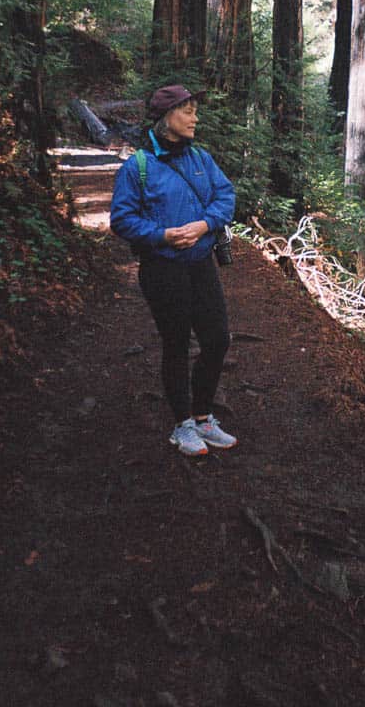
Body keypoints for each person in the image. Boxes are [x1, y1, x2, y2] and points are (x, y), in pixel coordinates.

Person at [110, 84, 237, 456]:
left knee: (217, 339)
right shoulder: (139, 167)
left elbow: (225, 196)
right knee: (177, 344)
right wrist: (162, 235)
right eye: (188, 111)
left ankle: (203, 417)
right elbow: (122, 219)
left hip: (200, 264)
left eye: (195, 110)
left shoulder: (201, 158)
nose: (195, 118)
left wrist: (204, 225)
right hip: (162, 269)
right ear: (167, 118)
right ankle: (182, 424)